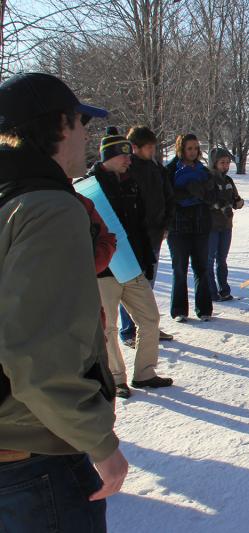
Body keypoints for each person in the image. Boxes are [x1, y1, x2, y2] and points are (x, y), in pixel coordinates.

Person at [0, 72, 128, 531]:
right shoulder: (48, 208)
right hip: (36, 459)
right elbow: (37, 353)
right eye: (80, 123)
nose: (85, 136)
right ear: (57, 126)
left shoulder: (9, 200)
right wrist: (100, 443)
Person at [85, 127, 173, 399]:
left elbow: (140, 225)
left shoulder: (131, 183)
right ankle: (116, 378)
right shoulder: (90, 187)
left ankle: (145, 372)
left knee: (150, 319)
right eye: (123, 155)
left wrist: (147, 257)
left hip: (132, 265)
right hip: (104, 271)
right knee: (108, 326)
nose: (128, 159)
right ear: (109, 156)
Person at [119, 125, 175, 346]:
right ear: (135, 147)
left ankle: (149, 326)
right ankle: (128, 331)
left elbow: (168, 197)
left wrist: (166, 225)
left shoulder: (156, 169)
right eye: (149, 147)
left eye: (154, 147)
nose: (152, 151)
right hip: (133, 238)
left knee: (148, 285)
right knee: (131, 286)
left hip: (155, 235)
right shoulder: (126, 171)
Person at [165, 133, 213, 322]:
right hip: (177, 227)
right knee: (179, 269)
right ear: (181, 149)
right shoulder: (170, 169)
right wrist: (185, 192)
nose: (193, 152)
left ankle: (204, 309)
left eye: (195, 148)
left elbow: (212, 195)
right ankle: (179, 310)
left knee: (202, 268)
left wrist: (204, 192)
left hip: (201, 225)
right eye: (189, 148)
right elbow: (167, 195)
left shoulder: (203, 170)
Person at [207, 147, 244, 301]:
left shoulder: (228, 180)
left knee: (222, 259)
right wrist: (220, 207)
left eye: (228, 163)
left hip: (226, 226)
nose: (225, 166)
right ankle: (211, 291)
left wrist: (238, 202)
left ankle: (224, 289)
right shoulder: (209, 179)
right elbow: (208, 200)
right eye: (222, 162)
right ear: (214, 163)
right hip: (211, 226)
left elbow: (235, 198)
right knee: (209, 259)